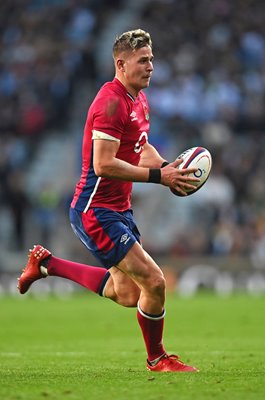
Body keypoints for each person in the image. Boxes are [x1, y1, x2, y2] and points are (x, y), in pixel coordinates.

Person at [18, 29, 200, 372]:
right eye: (143, 60)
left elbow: (139, 146)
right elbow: (103, 164)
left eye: (151, 60)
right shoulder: (111, 101)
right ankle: (158, 359)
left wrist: (165, 167)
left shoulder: (138, 99)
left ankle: (47, 265)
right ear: (121, 63)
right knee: (155, 281)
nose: (150, 67)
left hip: (118, 208)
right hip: (96, 211)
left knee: (129, 294)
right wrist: (159, 178)